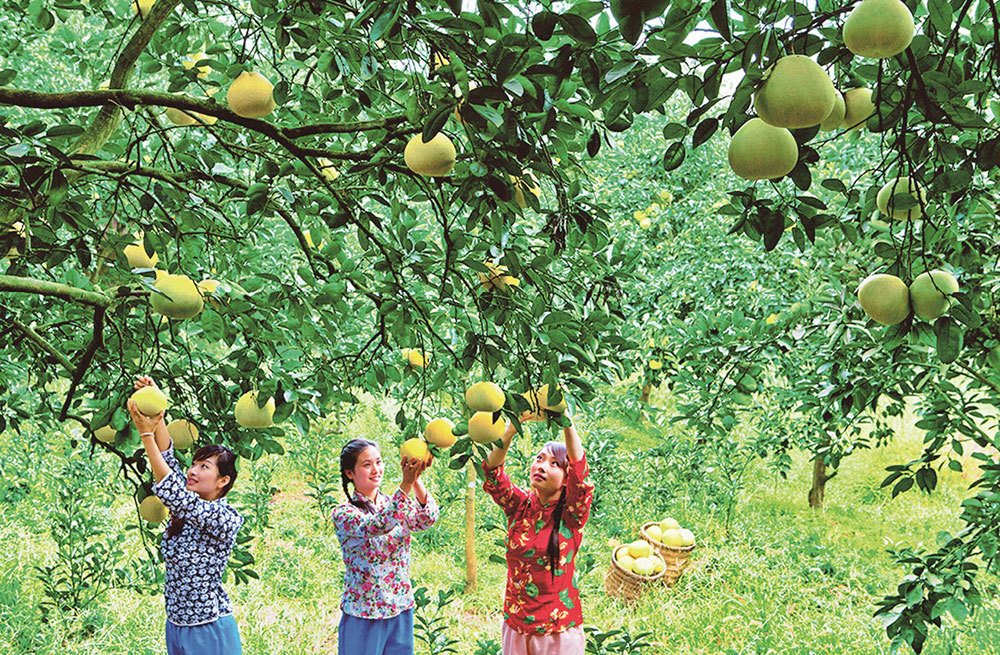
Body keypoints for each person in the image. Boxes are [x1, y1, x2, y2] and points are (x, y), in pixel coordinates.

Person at [126, 375, 244, 655]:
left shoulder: (225, 518)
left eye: (204, 467)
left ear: (222, 481)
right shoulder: (187, 504)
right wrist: (155, 406)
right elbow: (167, 458)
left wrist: (146, 435)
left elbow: (173, 493)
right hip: (177, 624)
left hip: (209, 627)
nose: (192, 471)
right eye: (193, 464)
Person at [482, 408, 594, 655]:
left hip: (557, 630)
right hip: (516, 624)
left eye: (554, 464)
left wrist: (565, 418)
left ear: (566, 479)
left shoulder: (571, 516)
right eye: (539, 458)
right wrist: (512, 428)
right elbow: (492, 475)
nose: (542, 466)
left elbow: (581, 476)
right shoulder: (519, 506)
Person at [332, 438, 438, 655]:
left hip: (399, 607)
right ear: (349, 473)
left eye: (379, 462)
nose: (376, 469)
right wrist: (405, 484)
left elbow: (427, 518)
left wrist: (415, 480)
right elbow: (378, 524)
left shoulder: (395, 503)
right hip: (365, 613)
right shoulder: (343, 513)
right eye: (367, 464)